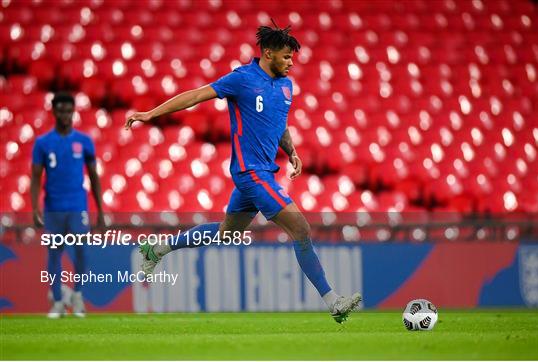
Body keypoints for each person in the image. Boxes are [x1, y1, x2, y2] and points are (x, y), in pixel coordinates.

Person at [125, 23, 361, 323]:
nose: (291, 63)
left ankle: (156, 250)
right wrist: (150, 113)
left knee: (228, 233)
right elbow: (196, 95)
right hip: (250, 173)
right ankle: (333, 302)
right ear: (268, 53)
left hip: (264, 172)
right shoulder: (242, 79)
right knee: (301, 230)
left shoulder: (286, 86)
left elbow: (279, 124)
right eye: (286, 57)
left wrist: (291, 151)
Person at [31, 91, 105, 318]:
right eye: (60, 110)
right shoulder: (42, 143)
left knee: (82, 252)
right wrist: (34, 208)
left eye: (68, 110)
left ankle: (78, 295)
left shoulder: (84, 142)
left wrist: (100, 211)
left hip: (77, 206)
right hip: (53, 207)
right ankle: (58, 301)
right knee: (54, 253)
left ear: (73, 111)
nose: (65, 114)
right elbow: (35, 177)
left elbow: (93, 176)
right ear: (53, 112)